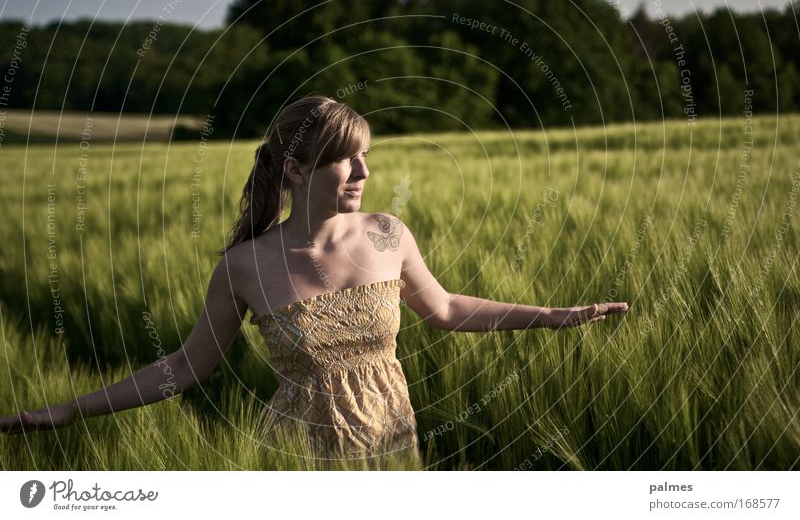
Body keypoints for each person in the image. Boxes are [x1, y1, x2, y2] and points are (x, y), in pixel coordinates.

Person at [0, 95, 629, 462]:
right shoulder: (242, 267)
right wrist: (64, 412)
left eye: (367, 156)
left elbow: (446, 308)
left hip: (394, 440)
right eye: (344, 158)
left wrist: (551, 316)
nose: (361, 170)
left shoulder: (387, 234)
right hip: (300, 456)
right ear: (298, 169)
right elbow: (184, 369)